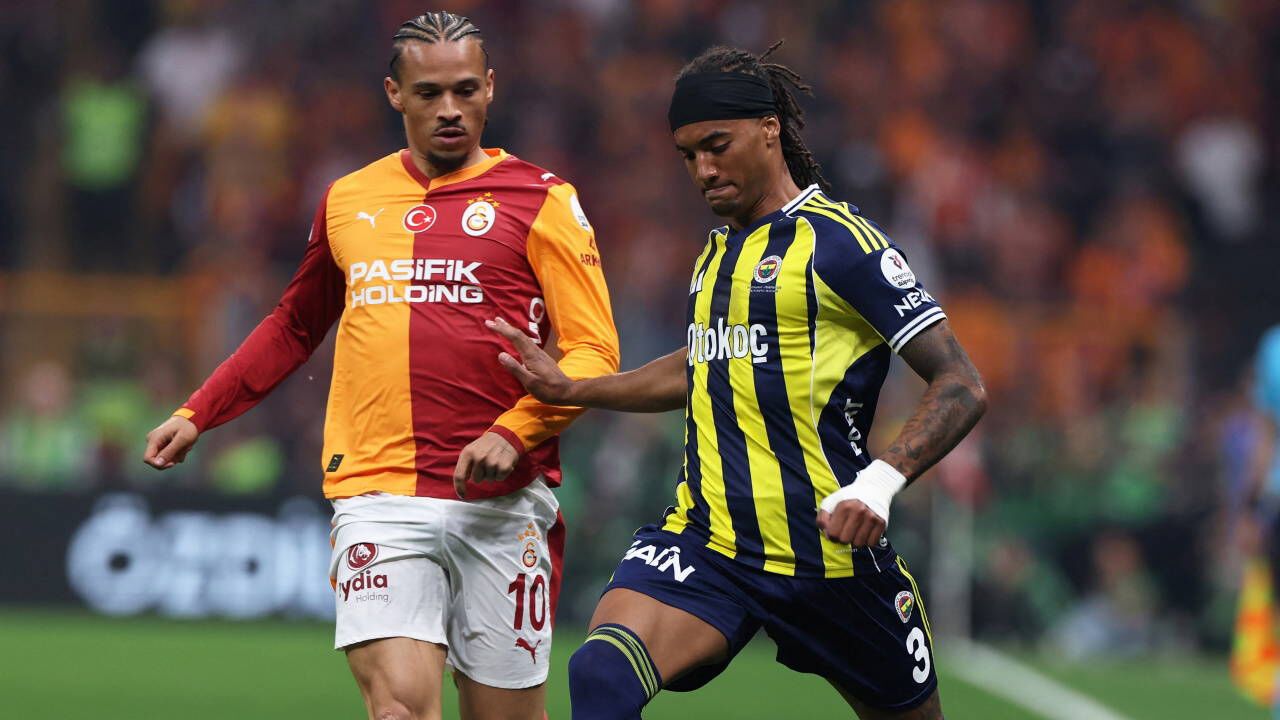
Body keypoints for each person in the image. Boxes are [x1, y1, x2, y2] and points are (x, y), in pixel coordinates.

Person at [485, 43, 986, 719]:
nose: (704, 170)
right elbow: (704, 366)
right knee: (601, 672)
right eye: (688, 154)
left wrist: (879, 482)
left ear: (769, 129)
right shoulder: (717, 253)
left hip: (829, 556)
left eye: (716, 146)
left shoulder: (843, 244)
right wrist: (576, 390)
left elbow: (960, 382)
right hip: (710, 542)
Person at [142, 12, 619, 720]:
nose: (450, 109)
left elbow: (593, 353)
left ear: (490, 87)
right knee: (401, 710)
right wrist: (199, 412)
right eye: (429, 93)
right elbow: (295, 324)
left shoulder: (544, 200)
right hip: (379, 493)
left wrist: (515, 431)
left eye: (465, 90)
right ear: (395, 94)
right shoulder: (348, 199)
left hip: (503, 501)